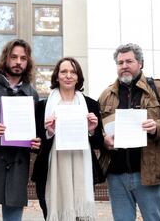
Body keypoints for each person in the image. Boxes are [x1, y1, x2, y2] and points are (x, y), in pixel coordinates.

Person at [98, 43, 160, 221]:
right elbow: (98, 129)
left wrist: (157, 126)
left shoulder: (159, 89)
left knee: (154, 219)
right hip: (116, 174)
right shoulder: (106, 95)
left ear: (140, 63)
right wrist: (103, 139)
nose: (124, 66)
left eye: (129, 61)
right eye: (120, 63)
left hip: (148, 173)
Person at [0, 39, 41, 221]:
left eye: (23, 58)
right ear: (5, 58)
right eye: (14, 57)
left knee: (13, 217)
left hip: (17, 165)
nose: (18, 62)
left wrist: (36, 142)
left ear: (28, 62)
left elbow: (37, 131)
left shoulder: (31, 93)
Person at [31, 57, 105, 220]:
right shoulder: (43, 107)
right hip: (49, 171)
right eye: (63, 71)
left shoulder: (90, 104)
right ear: (56, 76)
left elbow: (99, 142)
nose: (68, 75)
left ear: (78, 77)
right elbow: (35, 144)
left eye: (73, 72)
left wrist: (91, 131)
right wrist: (49, 133)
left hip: (83, 171)